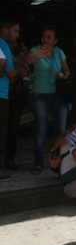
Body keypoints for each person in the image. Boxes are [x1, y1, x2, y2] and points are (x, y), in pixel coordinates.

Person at [26, 28, 71, 175]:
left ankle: (63, 162)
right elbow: (26, 60)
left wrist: (63, 76)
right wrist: (38, 56)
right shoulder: (35, 50)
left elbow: (67, 70)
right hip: (40, 95)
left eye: (49, 37)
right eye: (43, 36)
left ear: (55, 40)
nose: (45, 39)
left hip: (58, 95)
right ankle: (38, 163)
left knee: (61, 130)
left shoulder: (59, 52)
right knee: (41, 129)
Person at [5, 40, 29, 170]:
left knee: (13, 128)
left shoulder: (19, 55)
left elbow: (24, 73)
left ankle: (9, 159)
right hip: (4, 94)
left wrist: (21, 59)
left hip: (15, 95)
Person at [0, 20, 19, 181]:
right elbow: (11, 73)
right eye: (15, 31)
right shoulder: (3, 45)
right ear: (5, 30)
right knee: (1, 132)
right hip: (1, 95)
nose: (17, 35)